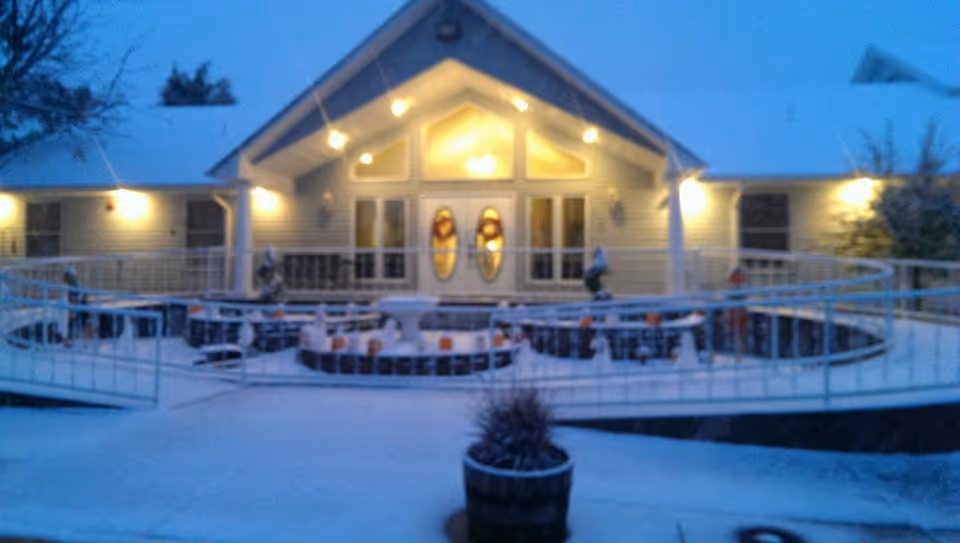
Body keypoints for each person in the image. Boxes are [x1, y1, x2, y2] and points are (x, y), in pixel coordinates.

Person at [63, 267, 91, 342]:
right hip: (73, 306)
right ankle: (68, 337)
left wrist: (76, 302)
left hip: (80, 306)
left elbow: (82, 296)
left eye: (68, 276)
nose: (66, 279)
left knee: (84, 319)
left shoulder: (77, 285)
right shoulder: (68, 286)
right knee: (70, 319)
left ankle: (86, 337)